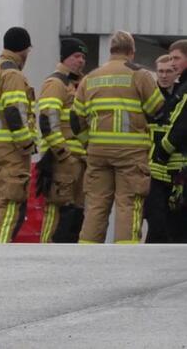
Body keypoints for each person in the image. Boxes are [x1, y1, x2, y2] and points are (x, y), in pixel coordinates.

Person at [74, 31, 164, 244]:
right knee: (128, 204)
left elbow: (75, 117)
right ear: (132, 52)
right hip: (131, 153)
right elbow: (157, 109)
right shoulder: (139, 75)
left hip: (97, 152)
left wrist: (88, 141)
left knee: (96, 204)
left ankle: (87, 253)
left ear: (111, 51)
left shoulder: (91, 77)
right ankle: (126, 256)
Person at [0, 27, 35, 243]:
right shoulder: (12, 74)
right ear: (24, 50)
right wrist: (27, 143)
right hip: (11, 151)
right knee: (10, 204)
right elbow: (14, 112)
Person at [35, 38, 88, 243]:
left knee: (75, 212)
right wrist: (63, 153)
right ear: (65, 58)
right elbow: (47, 120)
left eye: (83, 57)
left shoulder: (79, 84)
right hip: (62, 161)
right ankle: (47, 250)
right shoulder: (55, 83)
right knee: (57, 209)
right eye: (76, 56)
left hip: (79, 160)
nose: (81, 61)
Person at [148, 40, 187, 242]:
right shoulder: (156, 95)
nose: (171, 67)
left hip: (175, 165)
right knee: (161, 225)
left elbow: (181, 125)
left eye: (176, 59)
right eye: (161, 70)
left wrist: (163, 151)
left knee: (176, 228)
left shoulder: (184, 89)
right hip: (161, 170)